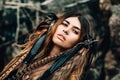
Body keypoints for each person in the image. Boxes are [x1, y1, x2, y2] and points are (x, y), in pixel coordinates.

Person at [0, 12, 97, 80]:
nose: (66, 30)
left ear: (80, 43)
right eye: (64, 24)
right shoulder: (28, 56)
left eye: (75, 31)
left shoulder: (66, 76)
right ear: (54, 25)